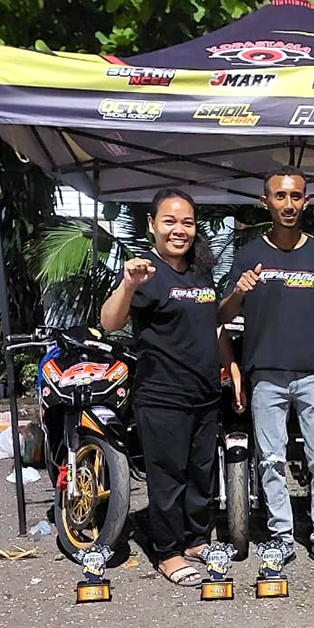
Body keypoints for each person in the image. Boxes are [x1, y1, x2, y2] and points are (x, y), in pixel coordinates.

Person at [101, 189, 244, 588]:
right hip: (162, 394)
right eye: (169, 221)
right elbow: (110, 322)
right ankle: (168, 552)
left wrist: (230, 368)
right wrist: (128, 285)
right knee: (168, 477)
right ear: (152, 225)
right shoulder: (144, 272)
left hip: (204, 392)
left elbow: (213, 324)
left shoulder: (200, 271)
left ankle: (196, 540)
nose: (179, 230)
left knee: (201, 474)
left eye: (187, 222)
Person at [219, 166, 314, 574]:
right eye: (280, 196)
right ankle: (281, 537)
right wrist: (238, 291)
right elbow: (221, 316)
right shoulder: (249, 255)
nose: (288, 204)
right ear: (266, 202)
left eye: (296, 196)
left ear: (306, 201)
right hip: (266, 375)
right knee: (271, 461)